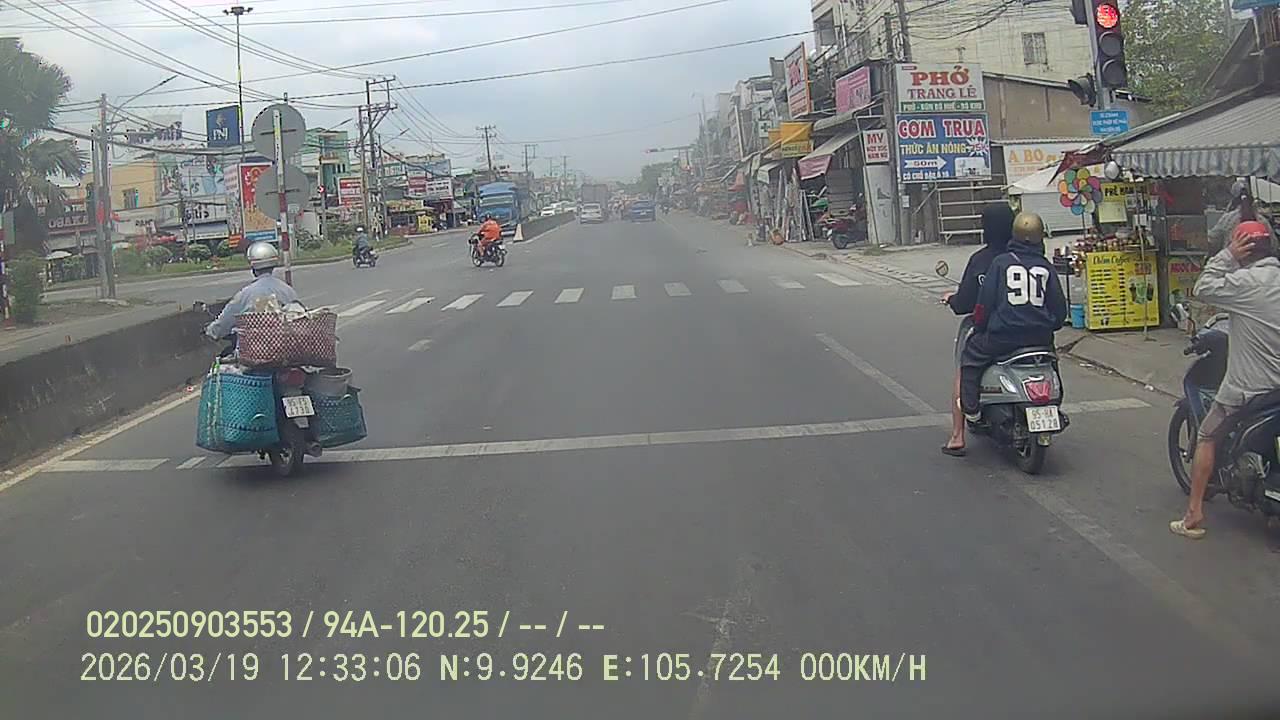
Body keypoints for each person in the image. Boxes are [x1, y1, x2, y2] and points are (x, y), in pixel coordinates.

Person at [1171, 220, 1280, 540]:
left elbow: (1204, 287)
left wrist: (1228, 255)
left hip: (1250, 389)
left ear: (1244, 249)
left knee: (1207, 436)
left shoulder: (1245, 283)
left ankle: (1193, 514)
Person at [959, 212, 1068, 422]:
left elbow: (984, 303)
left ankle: (972, 410)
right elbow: (1059, 309)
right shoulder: (1045, 266)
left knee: (971, 357)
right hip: (1040, 338)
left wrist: (980, 326)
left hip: (1003, 337)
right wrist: (1049, 324)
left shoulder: (1001, 263)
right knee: (1051, 362)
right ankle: (1055, 400)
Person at [941, 203, 1015, 456]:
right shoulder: (1031, 258)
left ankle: (957, 435)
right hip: (1035, 333)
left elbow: (966, 303)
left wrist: (953, 299)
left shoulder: (982, 261)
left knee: (965, 367)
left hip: (994, 333)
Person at [205, 242, 299, 340]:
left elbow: (224, 323)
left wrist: (210, 331)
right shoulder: (288, 291)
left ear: (253, 268)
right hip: (287, 344)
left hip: (255, 347)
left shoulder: (245, 294)